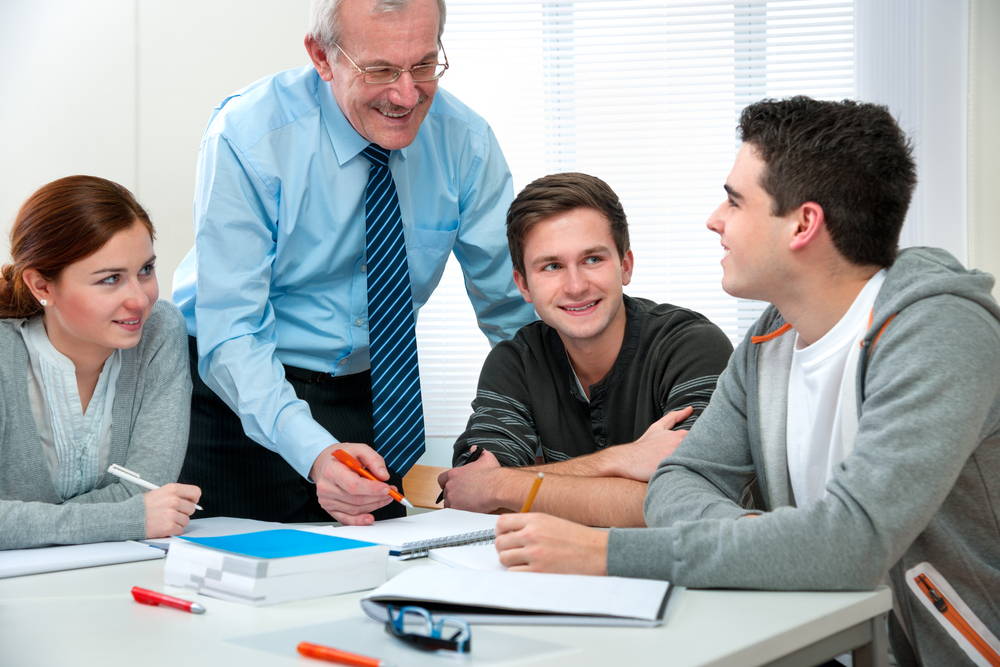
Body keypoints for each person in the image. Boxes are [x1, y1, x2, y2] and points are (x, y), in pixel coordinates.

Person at [494, 98, 1000, 666]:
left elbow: (849, 547)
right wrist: (776, 543)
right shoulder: (772, 337)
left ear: (804, 224)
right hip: (818, 641)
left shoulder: (941, 331)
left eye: (735, 201)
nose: (715, 218)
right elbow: (678, 480)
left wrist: (606, 552)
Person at [171, 0, 534, 525]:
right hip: (234, 397)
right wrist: (315, 452)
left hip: (371, 392)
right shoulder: (250, 136)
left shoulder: (465, 142)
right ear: (322, 57)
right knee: (244, 584)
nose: (406, 95)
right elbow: (233, 330)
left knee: (383, 573)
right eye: (380, 70)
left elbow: (513, 308)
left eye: (424, 65)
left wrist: (532, 426)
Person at [436, 173, 733, 526]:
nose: (576, 286)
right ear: (523, 285)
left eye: (592, 259)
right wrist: (620, 460)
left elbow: (689, 504)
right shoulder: (514, 363)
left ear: (625, 265)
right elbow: (472, 491)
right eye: (552, 266)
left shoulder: (690, 346)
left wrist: (507, 486)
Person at [0, 176, 200, 550]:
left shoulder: (161, 330)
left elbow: (147, 489)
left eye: (145, 270)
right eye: (110, 279)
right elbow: (143, 508)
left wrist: (30, 522)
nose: (140, 300)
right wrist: (127, 517)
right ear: (42, 286)